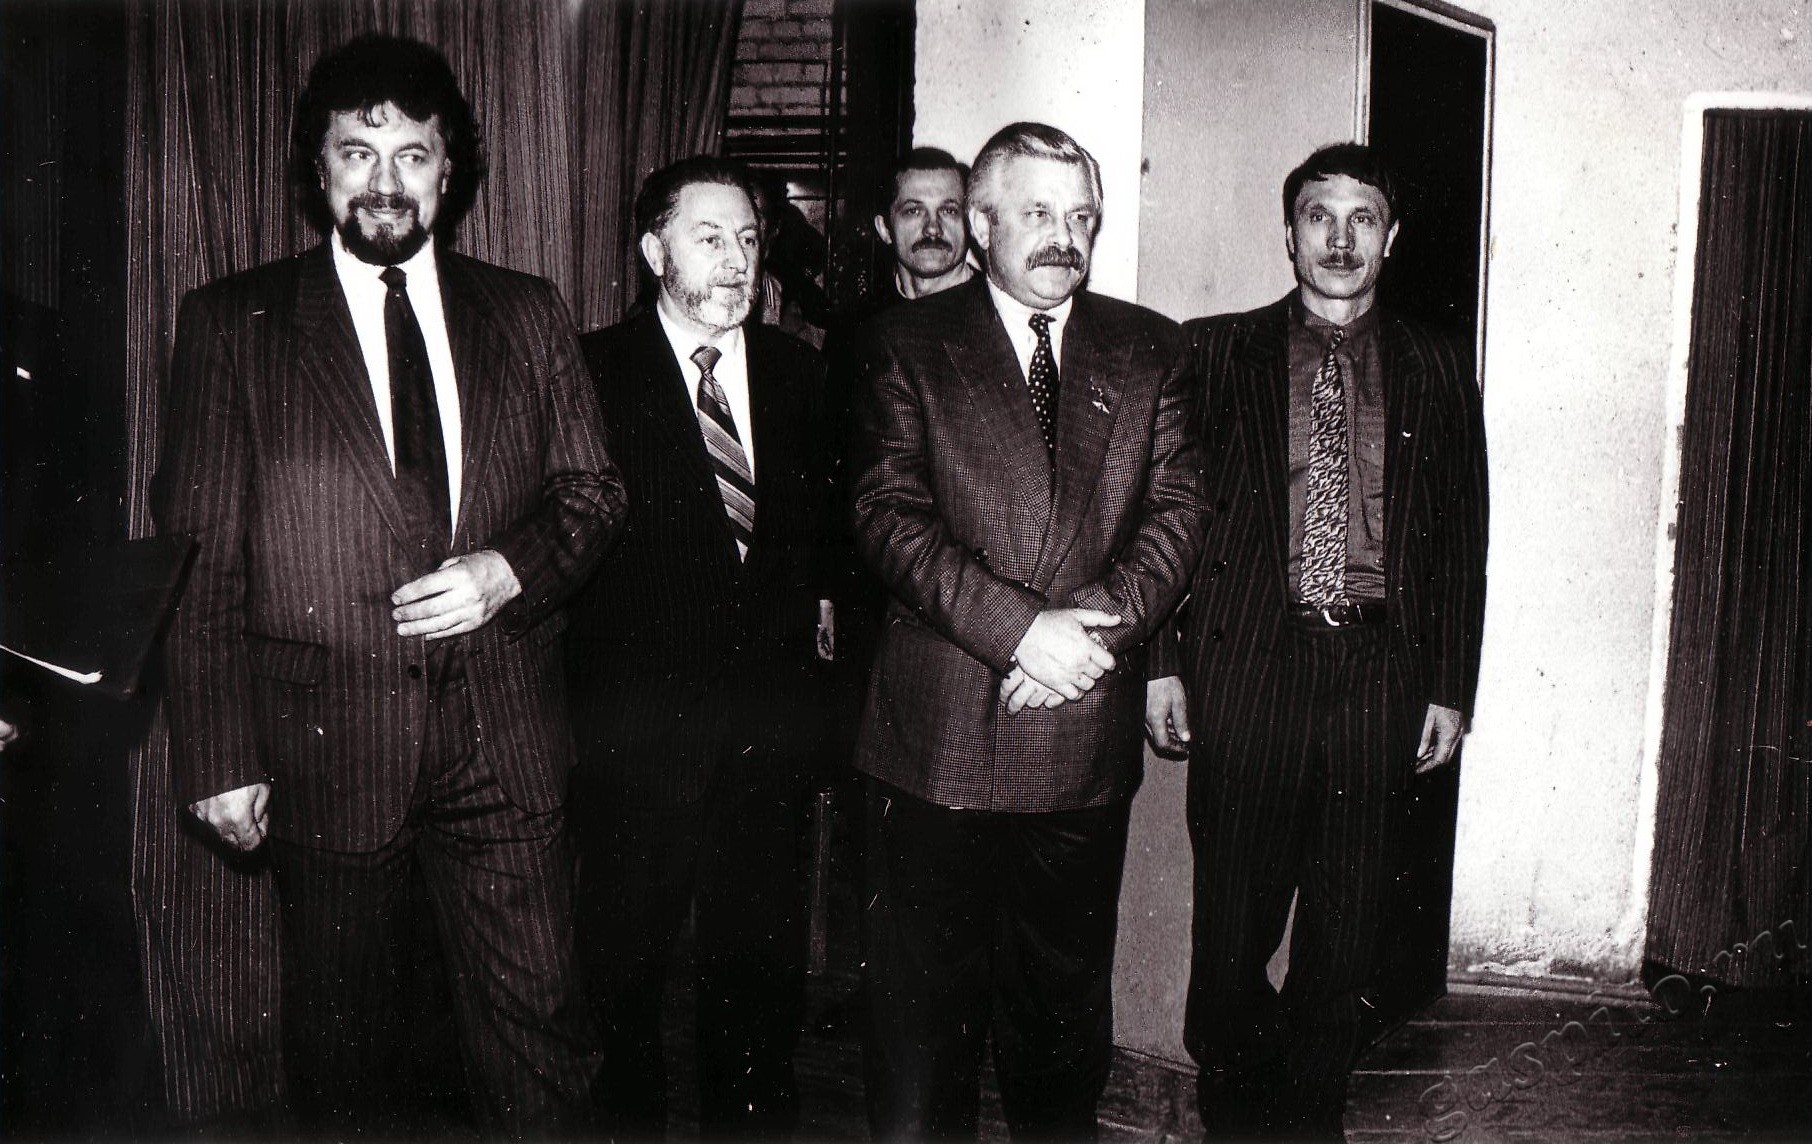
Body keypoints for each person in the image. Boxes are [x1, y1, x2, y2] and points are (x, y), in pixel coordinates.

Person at [152, 34, 623, 1136]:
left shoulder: (527, 311)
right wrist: (217, 754)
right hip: (330, 745)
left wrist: (508, 570)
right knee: (347, 1060)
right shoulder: (234, 323)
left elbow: (594, 493)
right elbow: (201, 560)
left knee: (544, 1042)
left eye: (413, 154)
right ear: (315, 167)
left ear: (449, 170)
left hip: (502, 739)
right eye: (356, 153)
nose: (385, 182)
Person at [849, 121, 1206, 1140]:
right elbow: (887, 515)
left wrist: (1081, 646)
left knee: (1060, 1022)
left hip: (1077, 729)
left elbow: (1179, 513)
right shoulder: (906, 343)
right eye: (1039, 212)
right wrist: (1021, 633)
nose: (1064, 236)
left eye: (1082, 216)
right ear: (980, 224)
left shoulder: (1149, 346)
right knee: (924, 1028)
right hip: (940, 738)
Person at [1145, 143, 1488, 1140]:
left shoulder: (1435, 362)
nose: (1341, 240)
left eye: (1362, 218)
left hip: (1380, 674)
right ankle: (1235, 1112)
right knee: (1234, 922)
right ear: (1288, 234)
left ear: (1392, 236)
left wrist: (1449, 684)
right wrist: (1162, 664)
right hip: (1249, 667)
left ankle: (1310, 1116)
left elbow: (1462, 535)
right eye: (1319, 217)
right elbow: (1163, 519)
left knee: (1347, 929)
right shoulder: (1212, 353)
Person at [563, 155, 836, 1140]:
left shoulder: (802, 374)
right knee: (623, 966)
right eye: (709, 237)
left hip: (767, 732)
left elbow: (818, 546)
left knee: (758, 967)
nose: (736, 262)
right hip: (637, 732)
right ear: (653, 250)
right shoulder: (588, 372)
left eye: (749, 240)